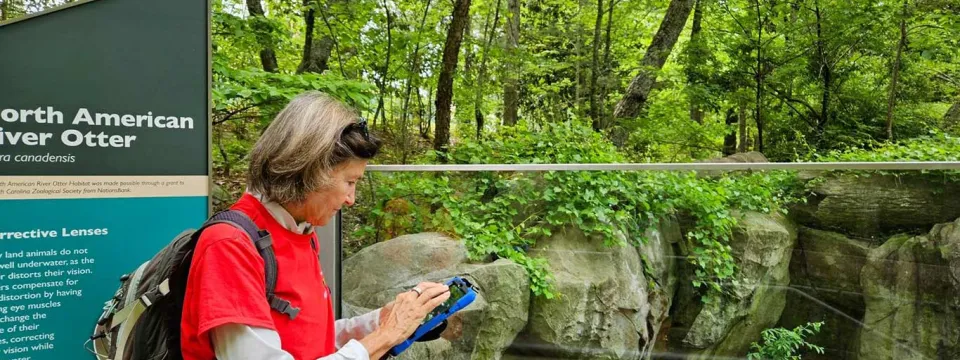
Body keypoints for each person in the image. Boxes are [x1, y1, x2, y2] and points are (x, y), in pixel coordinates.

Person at [179, 91, 451, 360]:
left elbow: (312, 340)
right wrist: (385, 337)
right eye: (350, 182)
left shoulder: (301, 230)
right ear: (311, 170)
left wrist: (382, 320)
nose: (351, 200)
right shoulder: (230, 246)